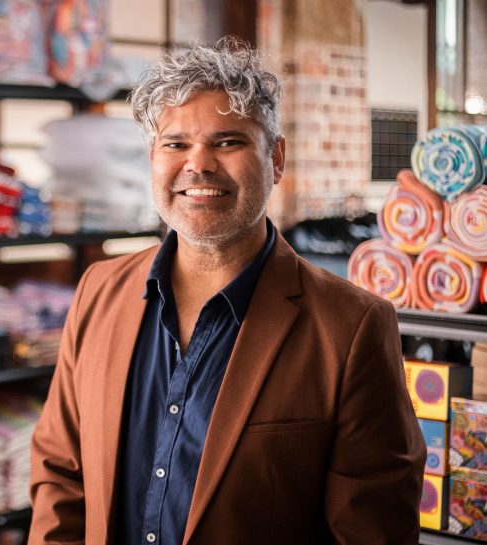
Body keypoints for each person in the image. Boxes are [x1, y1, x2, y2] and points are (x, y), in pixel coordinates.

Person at [28, 38, 424, 545]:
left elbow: (373, 531)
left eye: (228, 141)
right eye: (176, 144)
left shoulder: (350, 326)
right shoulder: (99, 291)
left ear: (275, 158)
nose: (199, 164)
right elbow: (61, 470)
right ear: (153, 157)